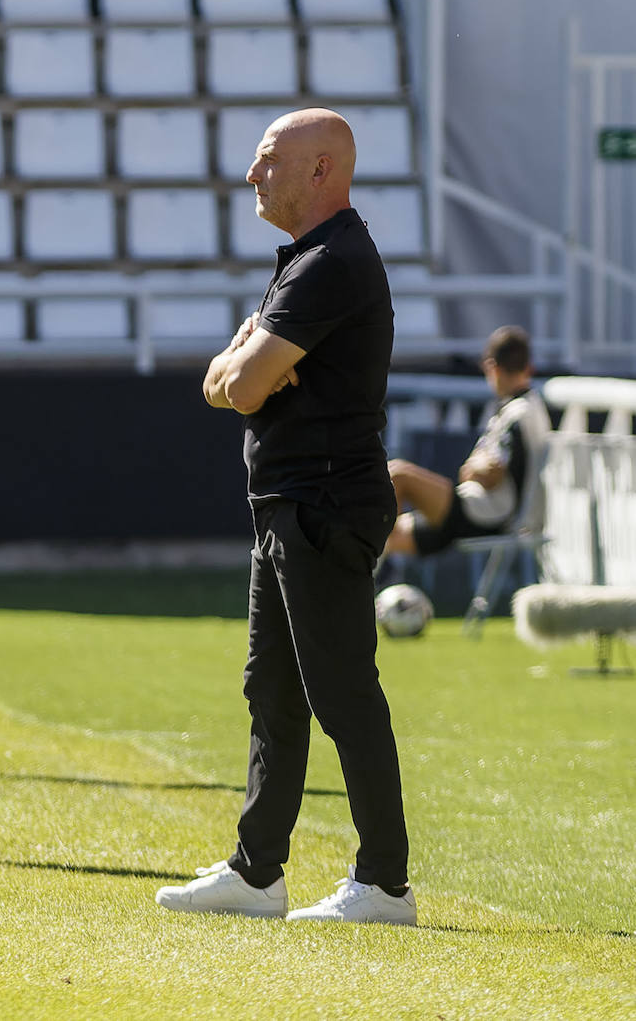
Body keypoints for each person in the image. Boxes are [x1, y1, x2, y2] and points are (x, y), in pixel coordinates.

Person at [156, 108, 416, 925]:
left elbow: (237, 387)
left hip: (324, 502)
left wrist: (247, 363)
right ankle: (258, 870)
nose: (250, 175)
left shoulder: (331, 262)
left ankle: (384, 884)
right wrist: (247, 361)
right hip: (288, 503)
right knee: (272, 687)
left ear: (320, 171)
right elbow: (229, 380)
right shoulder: (307, 260)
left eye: (268, 159)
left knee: (340, 691)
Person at [383, 326, 550, 558]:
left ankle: (366, 571)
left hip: (487, 513)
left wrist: (472, 468)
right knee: (393, 532)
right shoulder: (524, 406)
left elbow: (492, 473)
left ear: (492, 368)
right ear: (528, 367)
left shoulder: (519, 413)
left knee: (398, 475)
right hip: (480, 509)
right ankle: (371, 573)